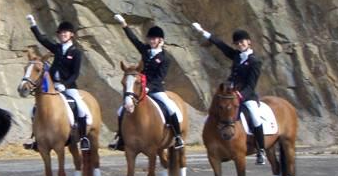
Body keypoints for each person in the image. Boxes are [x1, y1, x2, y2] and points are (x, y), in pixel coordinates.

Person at [192, 23, 266, 165]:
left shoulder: (255, 61)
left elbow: (251, 86)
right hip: (230, 94)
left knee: (256, 118)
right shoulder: (237, 56)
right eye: (237, 43)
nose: (239, 44)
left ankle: (261, 150)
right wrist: (203, 32)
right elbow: (221, 46)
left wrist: (240, 95)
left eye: (242, 42)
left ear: (248, 42)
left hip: (246, 96)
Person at [109, 13, 184, 151]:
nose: (151, 41)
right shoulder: (146, 51)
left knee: (171, 108)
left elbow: (160, 77)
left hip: (156, 89)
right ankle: (120, 138)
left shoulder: (165, 58)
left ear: (160, 40)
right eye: (150, 38)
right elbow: (134, 40)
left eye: (154, 39)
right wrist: (124, 24)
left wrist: (148, 87)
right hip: (139, 89)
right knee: (121, 110)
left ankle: (178, 137)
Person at [24, 14, 91, 152]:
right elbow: (42, 39)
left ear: (71, 34)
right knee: (34, 109)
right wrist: (33, 24)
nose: (62, 35)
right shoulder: (57, 49)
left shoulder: (76, 52)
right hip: (52, 86)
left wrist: (65, 85)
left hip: (68, 87)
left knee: (81, 108)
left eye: (65, 32)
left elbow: (75, 74)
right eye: (60, 33)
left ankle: (83, 138)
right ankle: (36, 138)